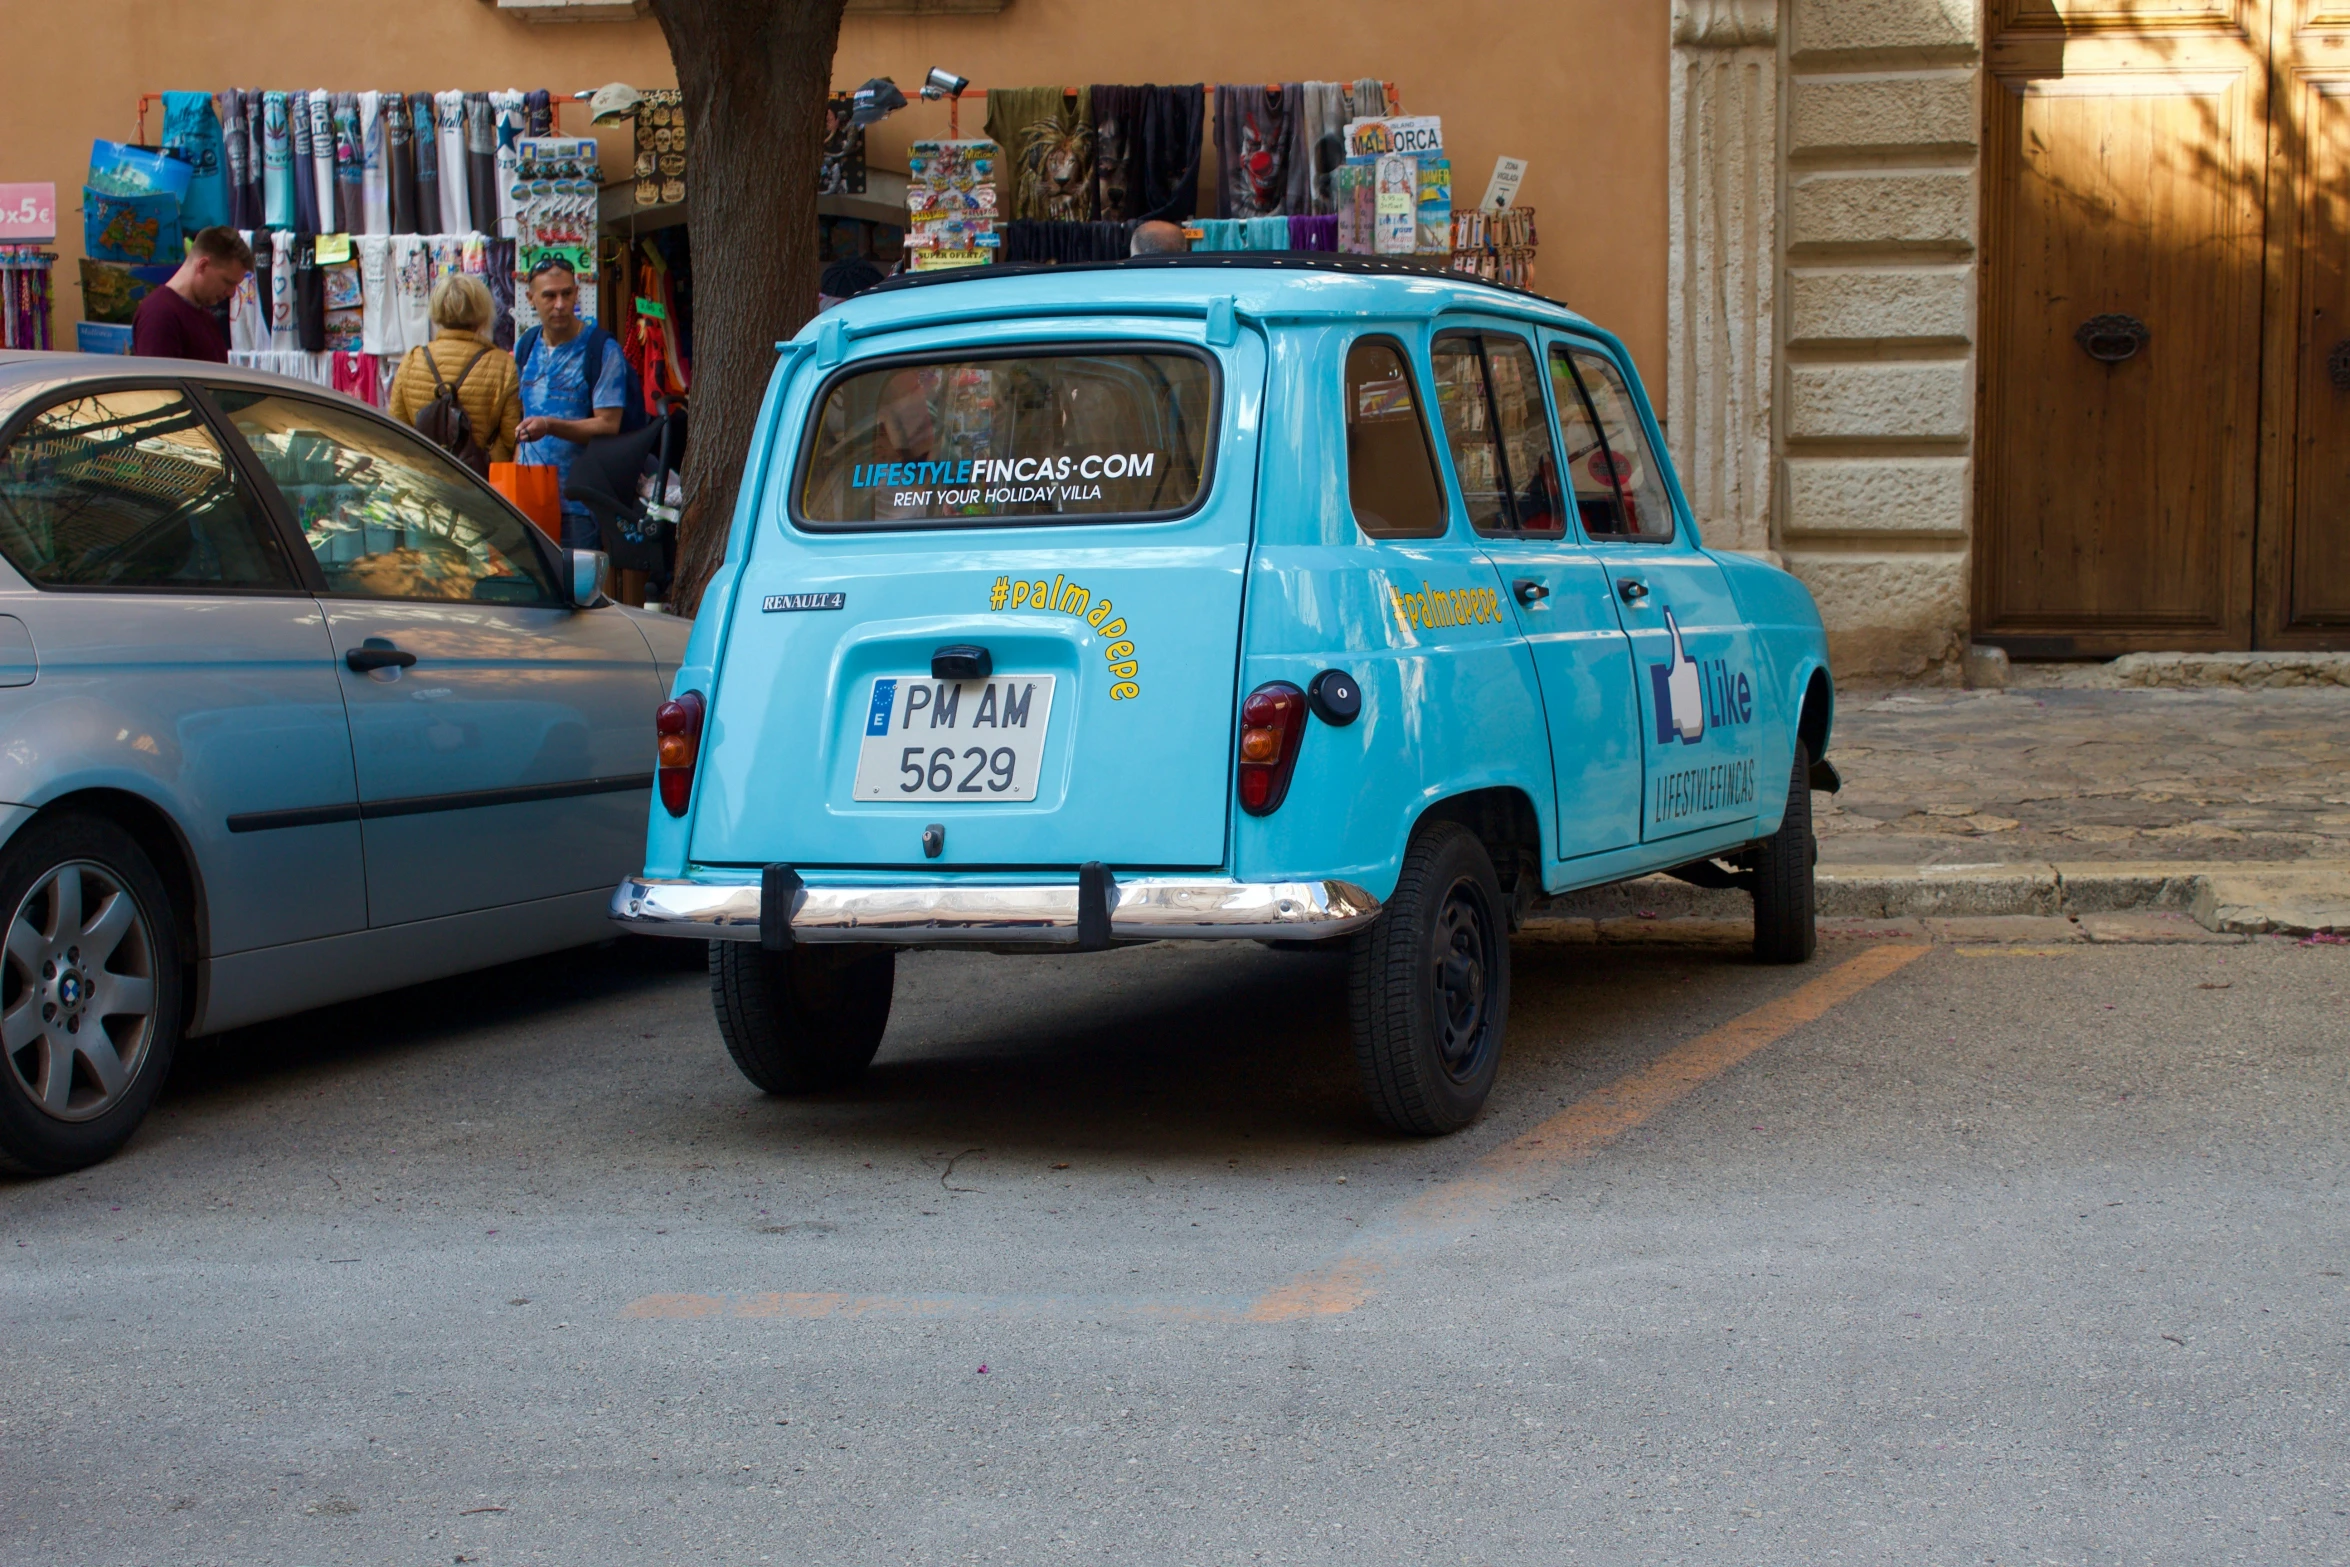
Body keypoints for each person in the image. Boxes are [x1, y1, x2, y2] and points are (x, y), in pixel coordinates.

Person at [513, 257, 633, 551]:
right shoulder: (526, 345)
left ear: (577, 293)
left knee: (577, 591)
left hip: (578, 503)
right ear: (531, 298)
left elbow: (608, 424)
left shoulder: (601, 349)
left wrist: (550, 425)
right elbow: (524, 418)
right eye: (549, 295)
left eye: (567, 294)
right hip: (528, 499)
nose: (560, 304)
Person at [386, 273, 521, 468]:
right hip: (480, 481)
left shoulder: (413, 360)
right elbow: (511, 438)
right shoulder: (503, 365)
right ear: (483, 309)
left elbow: (398, 431)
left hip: (427, 476)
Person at [130, 226, 252, 362]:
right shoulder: (159, 314)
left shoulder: (207, 319)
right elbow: (157, 381)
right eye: (228, 282)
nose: (231, 293)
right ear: (203, 265)